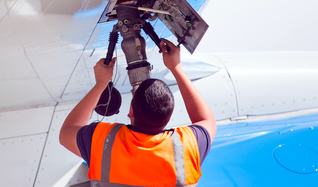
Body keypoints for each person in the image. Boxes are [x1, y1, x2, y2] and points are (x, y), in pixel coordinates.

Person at [59, 38, 217, 186]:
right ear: (168, 118)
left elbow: (67, 131)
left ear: (131, 112)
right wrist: (177, 69)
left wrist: (101, 83)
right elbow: (206, 120)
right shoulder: (187, 147)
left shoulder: (102, 141)